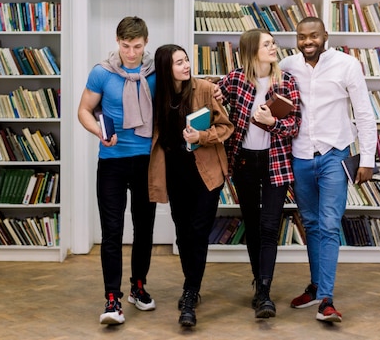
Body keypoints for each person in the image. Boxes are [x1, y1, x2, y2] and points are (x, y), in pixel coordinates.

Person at [280, 17, 377, 323]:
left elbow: (364, 113)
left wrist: (367, 160)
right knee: (310, 224)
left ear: (325, 36)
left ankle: (327, 300)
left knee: (329, 225)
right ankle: (315, 286)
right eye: (301, 36)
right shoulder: (287, 65)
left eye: (313, 36)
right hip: (301, 156)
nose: (307, 41)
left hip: (335, 155)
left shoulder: (347, 65)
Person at [77, 16, 157, 325]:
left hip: (146, 161)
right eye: (126, 46)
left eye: (137, 46)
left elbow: (180, 95)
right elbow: (84, 110)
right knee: (112, 232)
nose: (132, 53)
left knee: (144, 229)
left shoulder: (155, 73)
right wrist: (98, 132)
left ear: (145, 43)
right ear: (117, 41)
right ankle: (113, 299)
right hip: (111, 161)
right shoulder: (102, 72)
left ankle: (138, 287)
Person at [148, 44, 234, 327]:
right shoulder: (156, 95)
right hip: (174, 174)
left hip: (206, 173)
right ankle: (192, 286)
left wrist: (202, 136)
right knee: (183, 234)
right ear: (165, 68)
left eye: (187, 60)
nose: (186, 66)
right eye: (179, 62)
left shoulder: (205, 90)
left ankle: (190, 293)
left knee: (198, 231)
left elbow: (226, 127)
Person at [218, 28, 301, 319]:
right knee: (252, 226)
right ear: (253, 51)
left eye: (273, 43)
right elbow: (213, 100)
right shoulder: (235, 79)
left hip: (275, 162)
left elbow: (295, 126)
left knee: (269, 227)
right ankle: (259, 285)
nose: (274, 47)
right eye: (267, 44)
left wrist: (272, 123)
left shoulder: (286, 81)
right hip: (244, 163)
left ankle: (264, 292)